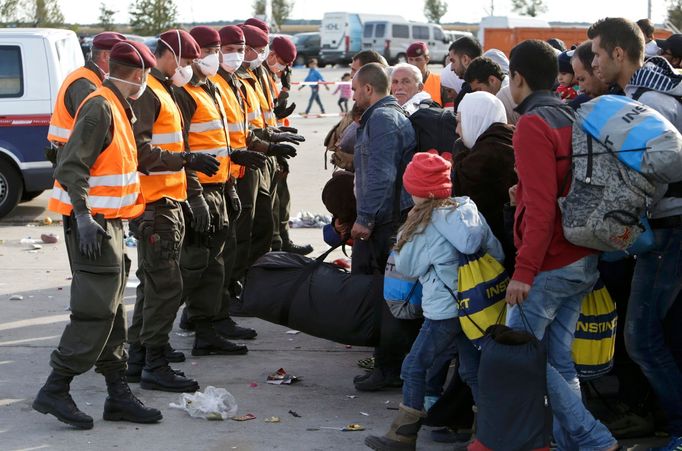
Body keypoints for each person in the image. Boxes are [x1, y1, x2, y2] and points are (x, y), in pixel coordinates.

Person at [34, 41, 166, 429]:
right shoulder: (99, 106)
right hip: (92, 226)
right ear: (138, 76)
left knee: (113, 314)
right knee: (95, 311)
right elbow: (70, 167)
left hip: (111, 224)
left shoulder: (115, 106)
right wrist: (84, 216)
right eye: (146, 76)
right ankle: (56, 388)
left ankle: (117, 393)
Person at [504, 39, 619, 451]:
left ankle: (592, 438)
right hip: (582, 257)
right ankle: (570, 442)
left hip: (549, 263)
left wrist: (524, 271)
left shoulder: (533, 124)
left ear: (517, 78)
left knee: (522, 356)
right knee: (558, 360)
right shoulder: (569, 113)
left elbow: (541, 211)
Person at [364, 152, 502, 451]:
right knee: (470, 370)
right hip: (475, 307)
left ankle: (403, 435)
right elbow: (498, 254)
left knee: (414, 366)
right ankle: (485, 436)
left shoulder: (423, 226)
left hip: (444, 310)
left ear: (418, 190)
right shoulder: (469, 211)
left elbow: (408, 269)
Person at [589, 17, 682, 451]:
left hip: (668, 229)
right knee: (665, 332)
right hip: (662, 229)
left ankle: (679, 428)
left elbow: (664, 167)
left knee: (641, 338)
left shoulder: (650, 104)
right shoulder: (638, 98)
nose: (592, 62)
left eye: (596, 53)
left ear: (618, 54)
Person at [125, 29, 208, 392]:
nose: (189, 68)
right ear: (170, 55)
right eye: (187, 61)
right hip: (155, 205)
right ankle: (153, 364)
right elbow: (141, 152)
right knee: (166, 286)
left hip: (165, 201)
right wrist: (185, 159)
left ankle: (140, 355)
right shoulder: (150, 93)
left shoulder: (164, 91)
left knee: (153, 284)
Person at [174, 26, 250, 357]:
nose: (213, 57)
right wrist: (195, 196)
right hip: (199, 190)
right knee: (197, 265)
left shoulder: (210, 89)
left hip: (218, 185)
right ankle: (193, 326)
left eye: (215, 50)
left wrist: (230, 184)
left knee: (217, 262)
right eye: (205, 51)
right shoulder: (184, 93)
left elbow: (219, 145)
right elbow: (183, 149)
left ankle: (214, 322)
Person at [350, 63, 420, 392]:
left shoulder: (382, 119)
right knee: (387, 296)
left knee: (388, 298)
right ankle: (388, 365)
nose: (352, 94)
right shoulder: (382, 116)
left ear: (367, 89)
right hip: (386, 218)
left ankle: (388, 369)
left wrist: (365, 218)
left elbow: (381, 176)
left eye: (354, 89)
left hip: (386, 222)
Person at [453, 91, 516, 272]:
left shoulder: (481, 159)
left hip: (496, 258)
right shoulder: (511, 138)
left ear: (475, 119)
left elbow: (463, 198)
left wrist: (459, 151)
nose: (457, 130)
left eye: (459, 121)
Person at [47, 32, 127, 160]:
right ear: (106, 56)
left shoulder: (91, 79)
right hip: (75, 158)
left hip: (74, 155)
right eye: (121, 59)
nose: (124, 64)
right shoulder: (85, 85)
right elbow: (91, 136)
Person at [462, 56, 518, 125]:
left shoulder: (504, 97)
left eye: (479, 90)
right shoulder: (510, 87)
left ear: (492, 80)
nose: (479, 95)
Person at [568, 40, 609, 110]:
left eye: (582, 79)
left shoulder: (627, 97)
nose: (580, 88)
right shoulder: (580, 103)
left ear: (597, 69)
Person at [448, 37, 483, 110]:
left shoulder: (466, 95)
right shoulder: (491, 83)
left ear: (465, 59)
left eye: (453, 61)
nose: (451, 68)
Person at [406, 41, 444, 106]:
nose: (414, 64)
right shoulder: (401, 82)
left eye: (418, 60)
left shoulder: (439, 81)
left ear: (427, 59)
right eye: (411, 59)